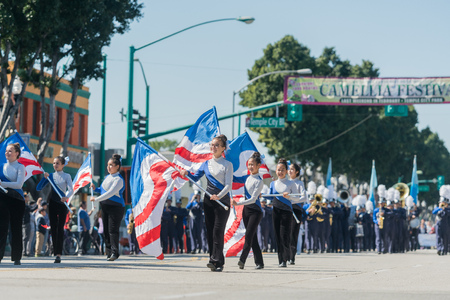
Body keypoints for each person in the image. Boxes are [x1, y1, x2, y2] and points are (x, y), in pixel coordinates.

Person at [181, 135, 232, 272]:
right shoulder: (206, 164)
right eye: (212, 145)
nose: (213, 147)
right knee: (210, 231)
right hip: (208, 201)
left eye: (216, 145)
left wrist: (219, 196)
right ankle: (217, 261)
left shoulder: (227, 164)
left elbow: (228, 186)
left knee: (218, 231)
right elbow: (195, 177)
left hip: (222, 201)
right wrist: (186, 173)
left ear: (223, 148)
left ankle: (215, 260)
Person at [36, 156, 74, 263]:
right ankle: (54, 250)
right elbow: (38, 188)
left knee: (60, 228)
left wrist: (66, 197)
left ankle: (58, 254)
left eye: (57, 163)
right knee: (53, 227)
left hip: (62, 203)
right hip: (52, 203)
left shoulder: (67, 176)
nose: (55, 165)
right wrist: (45, 178)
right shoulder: (51, 176)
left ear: (62, 165)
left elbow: (71, 189)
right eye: (53, 163)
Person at [232, 152, 265, 270]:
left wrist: (238, 203)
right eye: (249, 164)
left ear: (258, 165)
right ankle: (259, 262)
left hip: (255, 211)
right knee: (253, 237)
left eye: (253, 165)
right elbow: (234, 179)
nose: (250, 167)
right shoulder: (246, 177)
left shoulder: (259, 181)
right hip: (246, 211)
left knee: (248, 236)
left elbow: (252, 199)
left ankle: (242, 259)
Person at [91, 154, 125, 261]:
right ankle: (109, 252)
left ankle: (115, 252)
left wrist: (96, 199)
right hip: (104, 206)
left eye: (111, 165)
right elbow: (102, 190)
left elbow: (110, 193)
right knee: (106, 230)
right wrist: (95, 188)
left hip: (116, 208)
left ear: (117, 167)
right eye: (108, 165)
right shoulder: (107, 177)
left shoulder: (119, 179)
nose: (108, 167)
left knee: (112, 230)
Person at [269, 158, 299, 267]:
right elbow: (269, 197)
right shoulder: (272, 184)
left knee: (284, 235)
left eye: (282, 170)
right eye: (278, 170)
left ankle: (285, 259)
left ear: (286, 171)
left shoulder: (291, 184)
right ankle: (280, 259)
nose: (280, 172)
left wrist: (289, 196)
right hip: (275, 211)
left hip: (286, 211)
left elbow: (297, 198)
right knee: (277, 235)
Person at [0, 143, 26, 265]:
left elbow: (18, 185)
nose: (7, 153)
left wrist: (3, 184)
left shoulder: (20, 167)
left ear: (17, 154)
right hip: (3, 198)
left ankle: (16, 257)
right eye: (6, 151)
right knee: (2, 227)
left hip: (17, 199)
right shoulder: (1, 166)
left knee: (16, 228)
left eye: (10, 151)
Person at [287, 163, 306, 264]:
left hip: (296, 210)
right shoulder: (285, 182)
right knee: (285, 233)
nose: (289, 171)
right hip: (286, 210)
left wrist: (292, 200)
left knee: (293, 233)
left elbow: (304, 197)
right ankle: (285, 256)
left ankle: (292, 257)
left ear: (297, 172)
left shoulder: (300, 183)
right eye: (289, 169)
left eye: (292, 169)